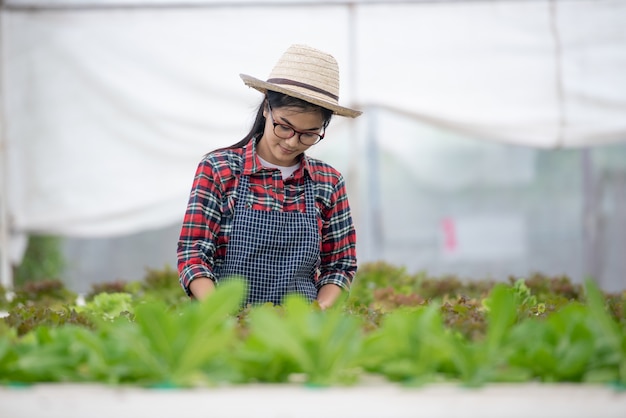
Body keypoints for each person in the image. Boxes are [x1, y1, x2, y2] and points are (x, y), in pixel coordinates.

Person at [177, 44, 362, 309]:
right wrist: (222, 315)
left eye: (309, 134)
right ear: (266, 108)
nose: (292, 142)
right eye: (284, 126)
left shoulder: (328, 182)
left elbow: (340, 265)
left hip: (299, 331)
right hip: (224, 327)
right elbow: (193, 255)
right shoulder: (219, 169)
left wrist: (315, 313)